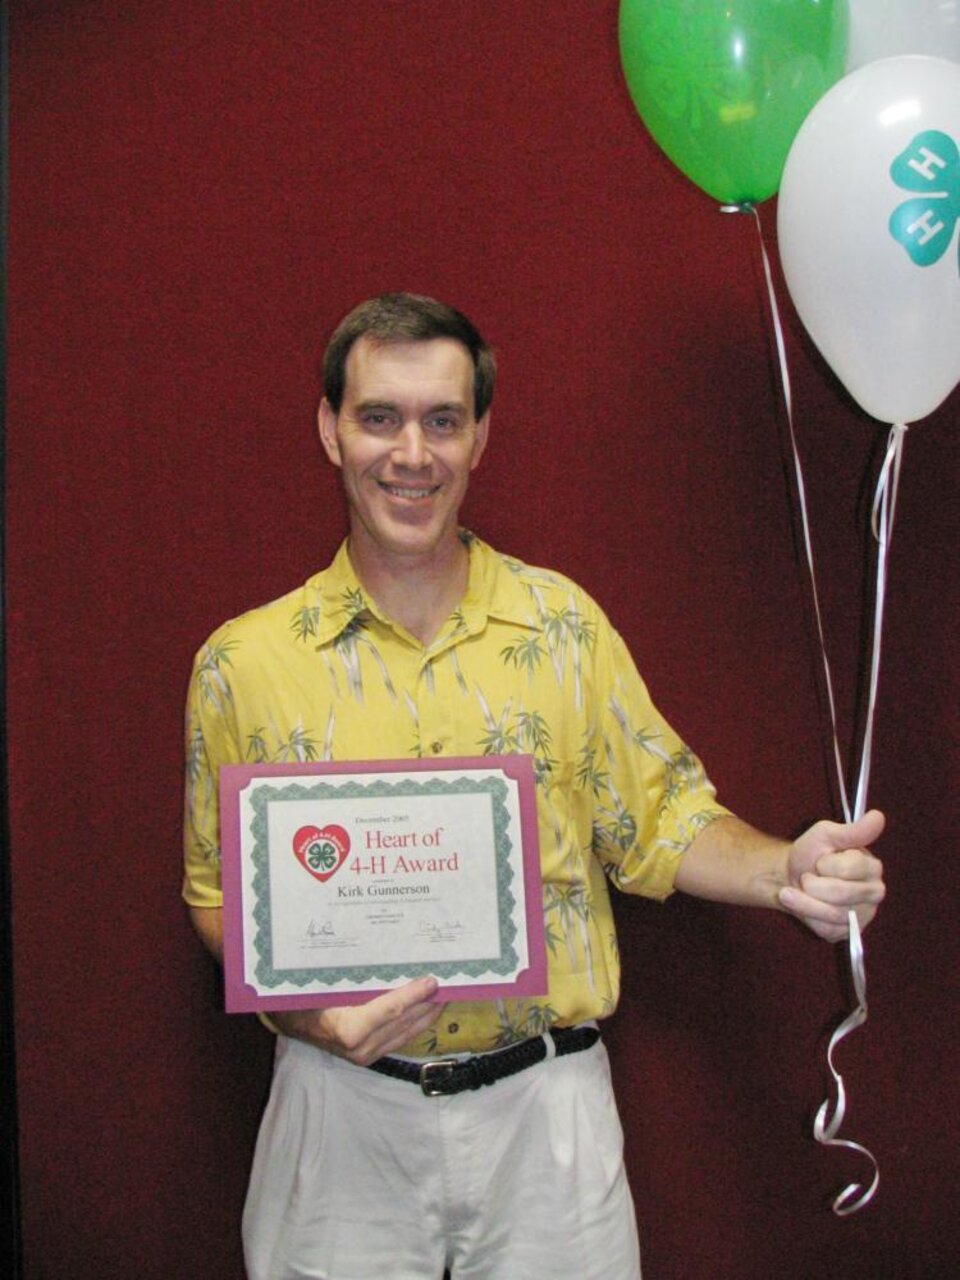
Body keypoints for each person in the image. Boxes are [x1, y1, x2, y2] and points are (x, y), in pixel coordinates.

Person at [183, 292, 886, 1280]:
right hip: (338, 1116)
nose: (411, 453)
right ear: (329, 431)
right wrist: (312, 1016)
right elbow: (217, 899)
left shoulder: (565, 628)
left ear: (481, 437)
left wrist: (785, 870)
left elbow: (666, 817)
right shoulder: (241, 664)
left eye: (443, 420)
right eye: (378, 416)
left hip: (546, 1124)